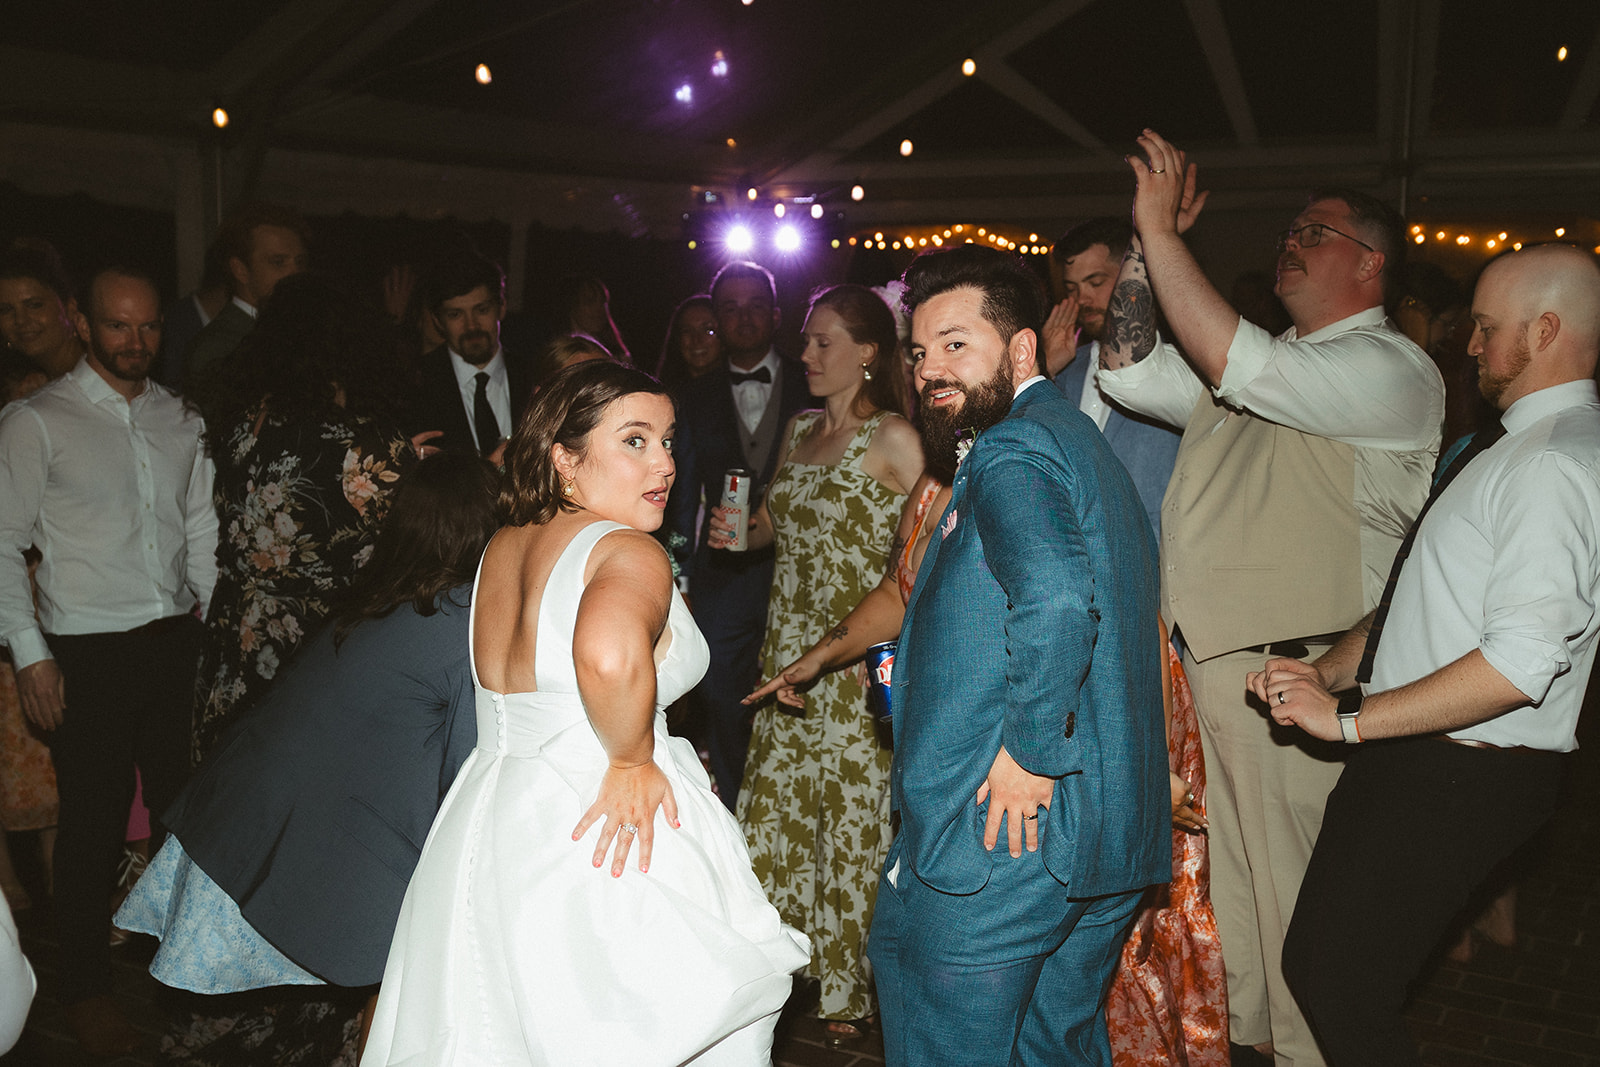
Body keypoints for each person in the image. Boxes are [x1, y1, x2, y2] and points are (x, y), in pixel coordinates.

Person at [1095, 130, 1445, 1066]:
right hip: (1220, 667)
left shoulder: (1390, 370)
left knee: (1302, 913)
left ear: (1368, 263)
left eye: (1316, 231)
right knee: (1242, 912)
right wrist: (1142, 246)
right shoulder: (1254, 364)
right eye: (1289, 229)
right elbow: (1126, 367)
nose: (1291, 241)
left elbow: (1245, 365)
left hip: (1303, 669)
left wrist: (1164, 233)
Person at [362, 360, 808, 1065]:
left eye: (666, 439)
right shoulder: (628, 549)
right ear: (564, 459)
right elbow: (605, 654)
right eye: (634, 440)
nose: (663, 461)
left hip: (492, 808)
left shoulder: (502, 547)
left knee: (490, 1021)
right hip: (599, 814)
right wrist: (631, 756)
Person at [1257, 244, 1600, 1066]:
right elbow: (1423, 590)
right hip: (1427, 763)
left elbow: (1519, 665)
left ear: (1545, 329)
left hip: (1458, 773)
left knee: (1339, 983)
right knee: (1324, 970)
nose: (1469, 344)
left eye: (1486, 328)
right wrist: (1332, 669)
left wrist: (1348, 722)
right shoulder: (1518, 443)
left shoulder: (1554, 461)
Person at [867, 245, 1168, 1066]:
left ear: (1025, 348)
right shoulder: (1080, 441)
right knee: (1055, 1052)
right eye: (922, 350)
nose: (932, 368)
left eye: (957, 343)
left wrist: (1031, 750)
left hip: (1006, 841)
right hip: (1103, 837)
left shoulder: (1011, 448)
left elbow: (1062, 598)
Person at [115, 453, 495, 1015]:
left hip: (241, 821)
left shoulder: (379, 597)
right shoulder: (466, 620)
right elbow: (475, 780)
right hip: (304, 853)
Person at [0, 266, 217, 1057]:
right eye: (119, 326)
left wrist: (214, 620)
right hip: (85, 650)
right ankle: (85, 989)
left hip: (173, 641)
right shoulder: (36, 421)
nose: (137, 342)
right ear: (83, 325)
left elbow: (200, 529)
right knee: (92, 828)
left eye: (150, 326)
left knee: (180, 818)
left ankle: (180, 969)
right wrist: (30, 655)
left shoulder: (179, 417)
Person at [717, 284, 922, 1040]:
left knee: (849, 826)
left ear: (868, 352)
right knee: (776, 819)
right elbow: (776, 523)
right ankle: (781, 971)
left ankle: (851, 991)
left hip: (851, 663)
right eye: (806, 341)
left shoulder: (897, 438)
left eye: (822, 341)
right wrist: (742, 534)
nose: (805, 354)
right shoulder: (802, 427)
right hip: (786, 658)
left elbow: (929, 546)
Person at [189, 273, 414, 762]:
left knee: (231, 813)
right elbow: (421, 541)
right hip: (315, 658)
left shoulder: (244, 423)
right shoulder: (364, 444)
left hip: (237, 646)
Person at [666, 260, 810, 806]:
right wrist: (678, 572)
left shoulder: (812, 380)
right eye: (730, 308)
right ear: (717, 320)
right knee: (722, 690)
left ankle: (788, 801)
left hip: (798, 568)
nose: (743, 318)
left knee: (797, 684)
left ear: (776, 315)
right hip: (721, 574)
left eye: (755, 306)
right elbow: (680, 501)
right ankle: (734, 801)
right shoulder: (692, 396)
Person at [1043, 217, 1182, 537]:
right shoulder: (1062, 370)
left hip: (1157, 562)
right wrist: (1042, 371)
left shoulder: (1180, 365)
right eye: (1072, 288)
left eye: (1095, 282)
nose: (1082, 300)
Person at [403, 251, 534, 460]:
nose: (471, 326)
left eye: (481, 310)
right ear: (438, 322)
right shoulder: (412, 385)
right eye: (455, 315)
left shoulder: (535, 375)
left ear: (501, 307)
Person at [182, 201, 311, 391]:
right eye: (278, 262)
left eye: (300, 262)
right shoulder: (218, 347)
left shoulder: (302, 330)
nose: (295, 273)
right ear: (240, 270)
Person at [0, 243, 84, 379]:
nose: (20, 320)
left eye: (34, 305)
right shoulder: (22, 387)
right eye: (5, 310)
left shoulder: (109, 375)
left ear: (70, 308)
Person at [656, 293, 723, 393]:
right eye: (687, 331)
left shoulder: (740, 391)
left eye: (708, 330)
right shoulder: (663, 395)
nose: (696, 339)